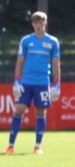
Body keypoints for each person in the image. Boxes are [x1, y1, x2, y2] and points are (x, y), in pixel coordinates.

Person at [5, 11, 61, 155]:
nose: (38, 25)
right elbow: (20, 61)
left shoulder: (53, 42)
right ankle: (10, 145)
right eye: (35, 23)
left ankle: (37, 146)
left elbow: (55, 64)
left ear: (45, 23)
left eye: (41, 22)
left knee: (40, 112)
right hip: (26, 82)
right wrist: (16, 82)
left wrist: (57, 84)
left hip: (42, 82)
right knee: (19, 109)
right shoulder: (26, 40)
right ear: (32, 24)